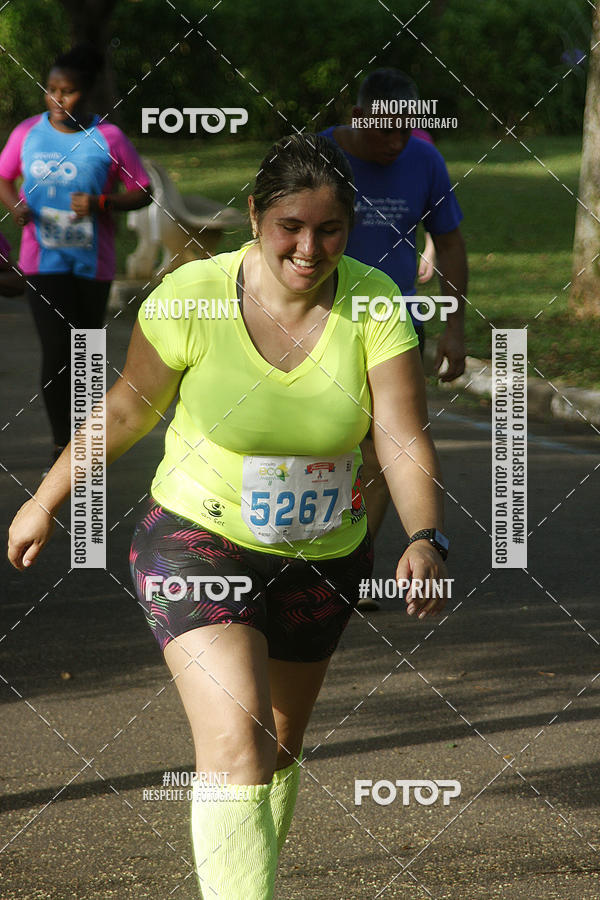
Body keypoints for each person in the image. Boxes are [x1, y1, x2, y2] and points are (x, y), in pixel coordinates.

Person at [8, 134, 450, 899]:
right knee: (234, 745)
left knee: (278, 745)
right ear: (254, 215)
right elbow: (125, 408)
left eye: (329, 229)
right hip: (195, 539)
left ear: (349, 228)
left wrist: (422, 536)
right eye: (290, 226)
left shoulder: (375, 300)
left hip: (324, 552)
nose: (309, 248)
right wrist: (47, 498)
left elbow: (400, 435)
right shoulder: (193, 293)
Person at [321, 68, 468, 607]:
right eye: (385, 130)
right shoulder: (320, 157)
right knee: (320, 445)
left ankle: (349, 571)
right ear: (357, 117)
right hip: (321, 325)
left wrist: (454, 327)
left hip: (395, 327)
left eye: (407, 129)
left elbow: (449, 243)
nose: (397, 141)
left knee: (382, 453)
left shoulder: (424, 160)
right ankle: (290, 560)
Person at [0, 44, 151, 470]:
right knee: (55, 351)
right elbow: (4, 176)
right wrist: (15, 207)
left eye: (67, 91)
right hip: (41, 261)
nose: (57, 99)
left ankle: (84, 441)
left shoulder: (109, 138)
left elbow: (141, 191)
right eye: (50, 90)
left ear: (88, 94)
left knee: (85, 351)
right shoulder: (27, 133)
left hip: (92, 263)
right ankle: (59, 444)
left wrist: (103, 204)